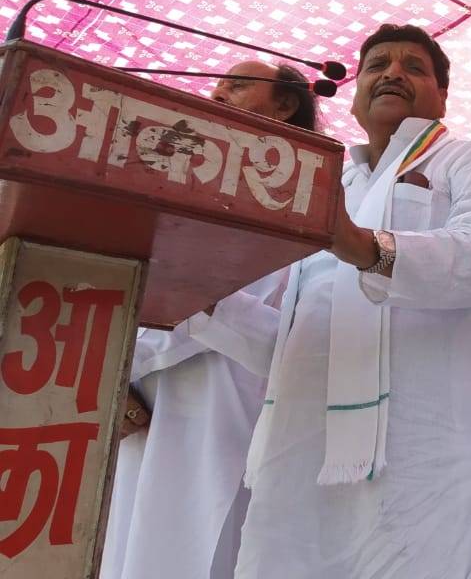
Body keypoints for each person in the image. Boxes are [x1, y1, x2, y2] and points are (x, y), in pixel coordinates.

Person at [234, 24, 471, 579]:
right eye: (377, 65)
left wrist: (360, 244)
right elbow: (294, 344)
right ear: (353, 96)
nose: (393, 73)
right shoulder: (327, 182)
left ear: (443, 97)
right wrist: (200, 305)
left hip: (431, 464)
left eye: (414, 67)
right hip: (306, 463)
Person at [101, 60, 318, 579]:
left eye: (237, 86)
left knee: (198, 549)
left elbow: (208, 304)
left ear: (285, 105)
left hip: (219, 421)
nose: (218, 94)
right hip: (142, 413)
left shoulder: (293, 200)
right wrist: (113, 382)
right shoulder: (181, 180)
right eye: (217, 85)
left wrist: (114, 366)